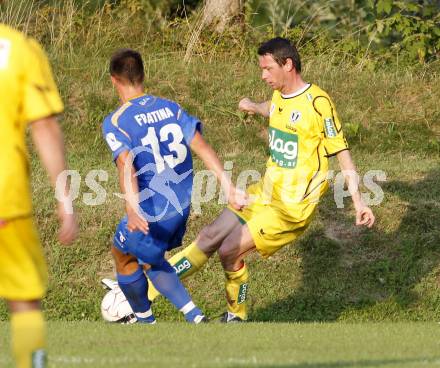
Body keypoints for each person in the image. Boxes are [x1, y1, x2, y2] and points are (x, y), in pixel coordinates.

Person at [142, 37, 375, 322]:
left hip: (291, 208)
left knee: (229, 251)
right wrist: (252, 105)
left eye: (267, 69)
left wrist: (360, 201)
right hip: (265, 192)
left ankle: (236, 317)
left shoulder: (318, 103)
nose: (263, 75)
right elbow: (273, 108)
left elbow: (342, 153)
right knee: (209, 236)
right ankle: (143, 292)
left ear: (287, 64)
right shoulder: (279, 96)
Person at [102, 49, 246, 324]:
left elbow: (126, 167)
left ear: (113, 80)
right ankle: (160, 319)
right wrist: (228, 187)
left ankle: (170, 320)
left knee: (137, 257)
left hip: (150, 210)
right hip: (180, 206)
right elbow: (202, 147)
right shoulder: (171, 108)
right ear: (143, 75)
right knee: (137, 255)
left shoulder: (117, 121)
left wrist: (132, 210)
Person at [0, 24, 78, 367]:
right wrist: (64, 198)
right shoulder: (18, 49)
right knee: (23, 300)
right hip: (6, 198)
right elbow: (44, 126)